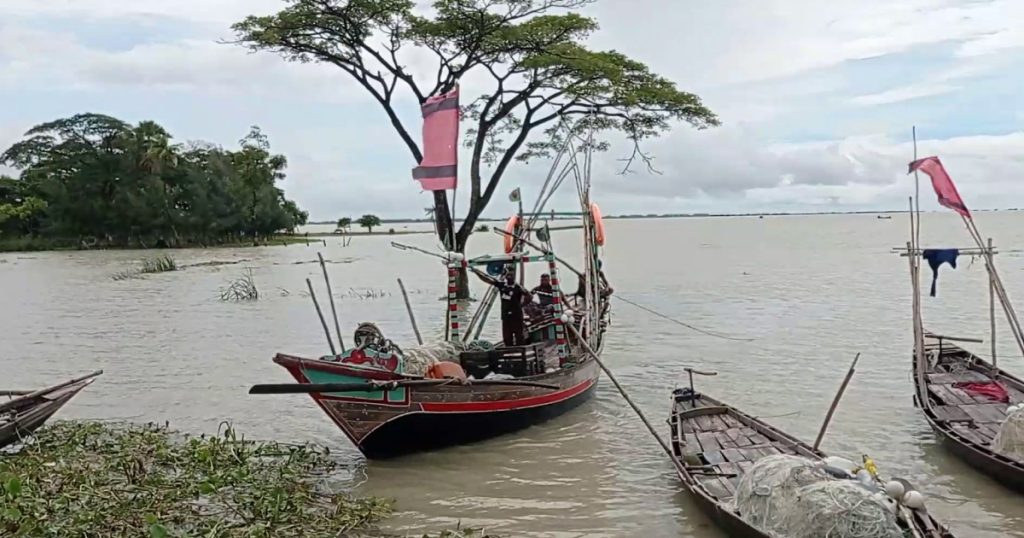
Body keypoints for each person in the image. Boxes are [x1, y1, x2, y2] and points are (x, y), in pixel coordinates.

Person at [476, 267, 532, 346]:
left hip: (516, 316)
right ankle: (509, 351)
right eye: (507, 275)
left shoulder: (518, 287)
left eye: (511, 275)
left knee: (519, 336)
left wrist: (521, 305)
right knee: (507, 337)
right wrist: (477, 273)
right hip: (505, 316)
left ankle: (520, 350)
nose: (509, 276)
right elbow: (488, 279)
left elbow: (529, 296)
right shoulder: (502, 285)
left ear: (514, 276)